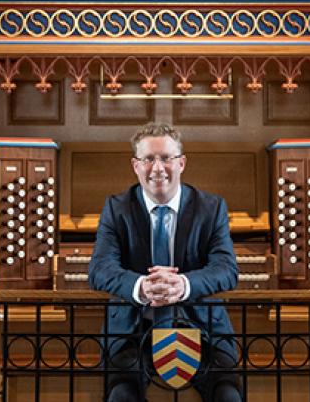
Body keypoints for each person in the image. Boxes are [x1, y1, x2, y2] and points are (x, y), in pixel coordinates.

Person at [88, 122, 241, 402]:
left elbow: (227, 269)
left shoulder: (211, 207)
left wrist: (183, 284)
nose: (157, 168)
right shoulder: (116, 207)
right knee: (121, 396)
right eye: (148, 159)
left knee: (228, 397)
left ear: (181, 163)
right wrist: (141, 287)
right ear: (136, 166)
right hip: (134, 332)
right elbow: (99, 269)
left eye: (166, 158)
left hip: (201, 328)